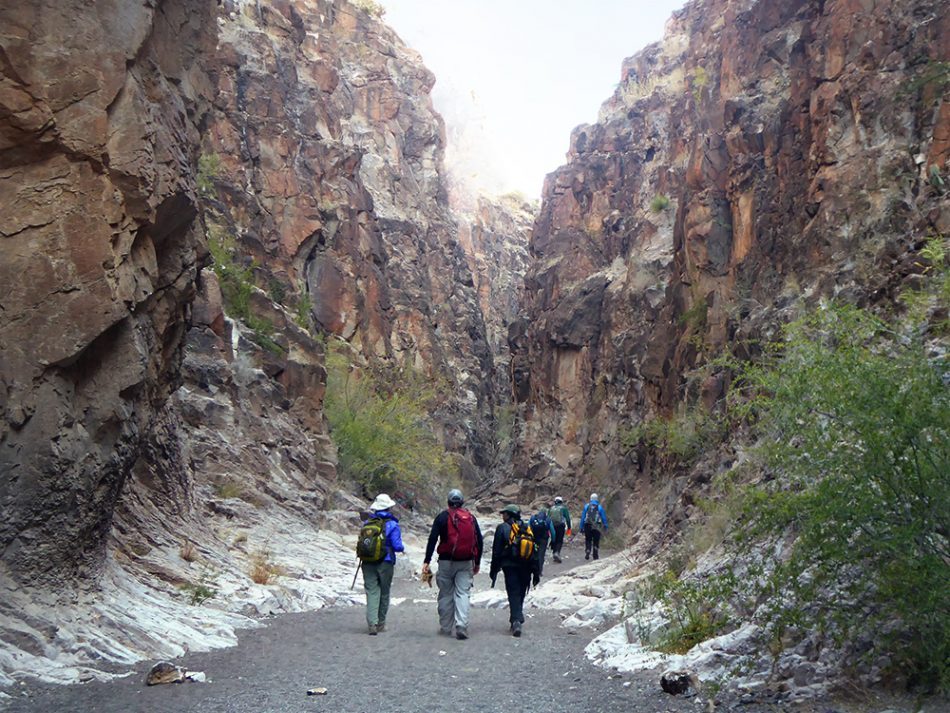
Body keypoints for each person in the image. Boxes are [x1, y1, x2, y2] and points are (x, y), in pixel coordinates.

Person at [422, 488, 483, 640]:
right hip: (466, 561)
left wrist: (427, 560)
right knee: (463, 593)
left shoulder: (442, 517)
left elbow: (432, 539)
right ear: (462, 502)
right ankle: (461, 625)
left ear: (448, 502)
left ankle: (445, 627)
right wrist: (477, 563)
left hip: (445, 562)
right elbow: (479, 541)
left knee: (446, 594)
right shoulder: (470, 518)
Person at [489, 504, 541, 637]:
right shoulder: (527, 528)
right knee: (521, 591)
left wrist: (494, 569)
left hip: (510, 566)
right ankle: (516, 617)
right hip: (527, 566)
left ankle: (516, 620)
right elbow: (535, 550)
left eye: (504, 513)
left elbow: (496, 551)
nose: (502, 516)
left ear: (509, 515)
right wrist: (536, 572)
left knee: (513, 592)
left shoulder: (502, 528)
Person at [360, 493, 405, 635]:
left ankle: (371, 623)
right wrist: (402, 549)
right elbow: (397, 546)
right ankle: (380, 623)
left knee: (372, 592)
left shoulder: (367, 523)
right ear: (389, 508)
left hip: (367, 562)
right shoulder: (393, 524)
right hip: (385, 562)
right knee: (384, 593)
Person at [579, 492, 609, 560]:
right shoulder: (599, 507)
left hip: (587, 525)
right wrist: (605, 526)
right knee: (596, 540)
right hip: (597, 526)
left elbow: (583, 517)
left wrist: (581, 527)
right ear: (597, 499)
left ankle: (588, 550)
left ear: (590, 498)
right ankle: (595, 555)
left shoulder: (586, 506)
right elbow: (603, 517)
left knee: (588, 539)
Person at [528, 507, 555, 575]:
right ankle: (539, 571)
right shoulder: (548, 519)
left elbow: (528, 528)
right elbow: (553, 531)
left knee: (534, 553)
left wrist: (528, 537)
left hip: (534, 538)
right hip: (544, 540)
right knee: (541, 555)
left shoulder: (533, 518)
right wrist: (553, 540)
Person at [547, 496, 572, 563]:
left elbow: (547, 518)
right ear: (561, 502)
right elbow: (568, 519)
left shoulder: (551, 508)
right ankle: (557, 553)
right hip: (560, 526)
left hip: (552, 526)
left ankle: (554, 553)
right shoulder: (563, 508)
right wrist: (569, 528)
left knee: (554, 539)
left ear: (555, 502)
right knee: (559, 540)